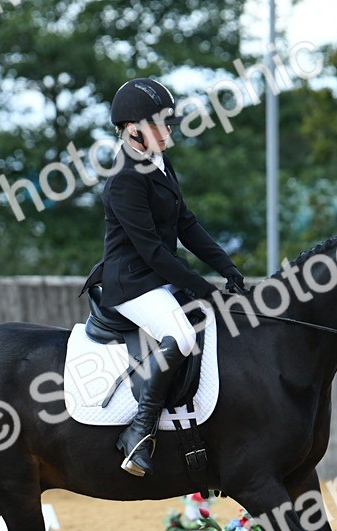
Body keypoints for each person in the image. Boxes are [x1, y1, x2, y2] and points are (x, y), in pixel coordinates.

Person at [82, 78, 249, 478]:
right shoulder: (123, 180)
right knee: (184, 336)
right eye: (160, 123)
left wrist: (227, 268)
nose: (169, 130)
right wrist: (204, 290)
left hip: (160, 277)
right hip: (134, 284)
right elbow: (153, 251)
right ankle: (138, 432)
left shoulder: (158, 162)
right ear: (132, 128)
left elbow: (186, 225)